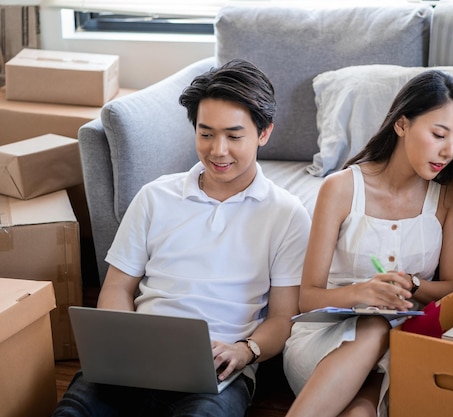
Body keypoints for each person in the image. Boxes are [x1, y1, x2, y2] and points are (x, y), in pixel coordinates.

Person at [53, 59, 311, 417]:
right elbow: (117, 287)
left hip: (220, 370)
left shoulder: (287, 214)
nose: (217, 150)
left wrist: (245, 351)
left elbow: (284, 318)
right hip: (135, 357)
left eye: (234, 136)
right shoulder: (155, 196)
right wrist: (121, 342)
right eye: (206, 134)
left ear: (263, 133)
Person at [282, 69, 453, 417]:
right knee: (374, 324)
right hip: (326, 345)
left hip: (402, 347)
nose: (448, 150)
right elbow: (308, 297)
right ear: (402, 124)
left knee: (361, 413)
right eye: (438, 134)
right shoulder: (341, 188)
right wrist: (364, 293)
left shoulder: (449, 199)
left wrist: (413, 285)